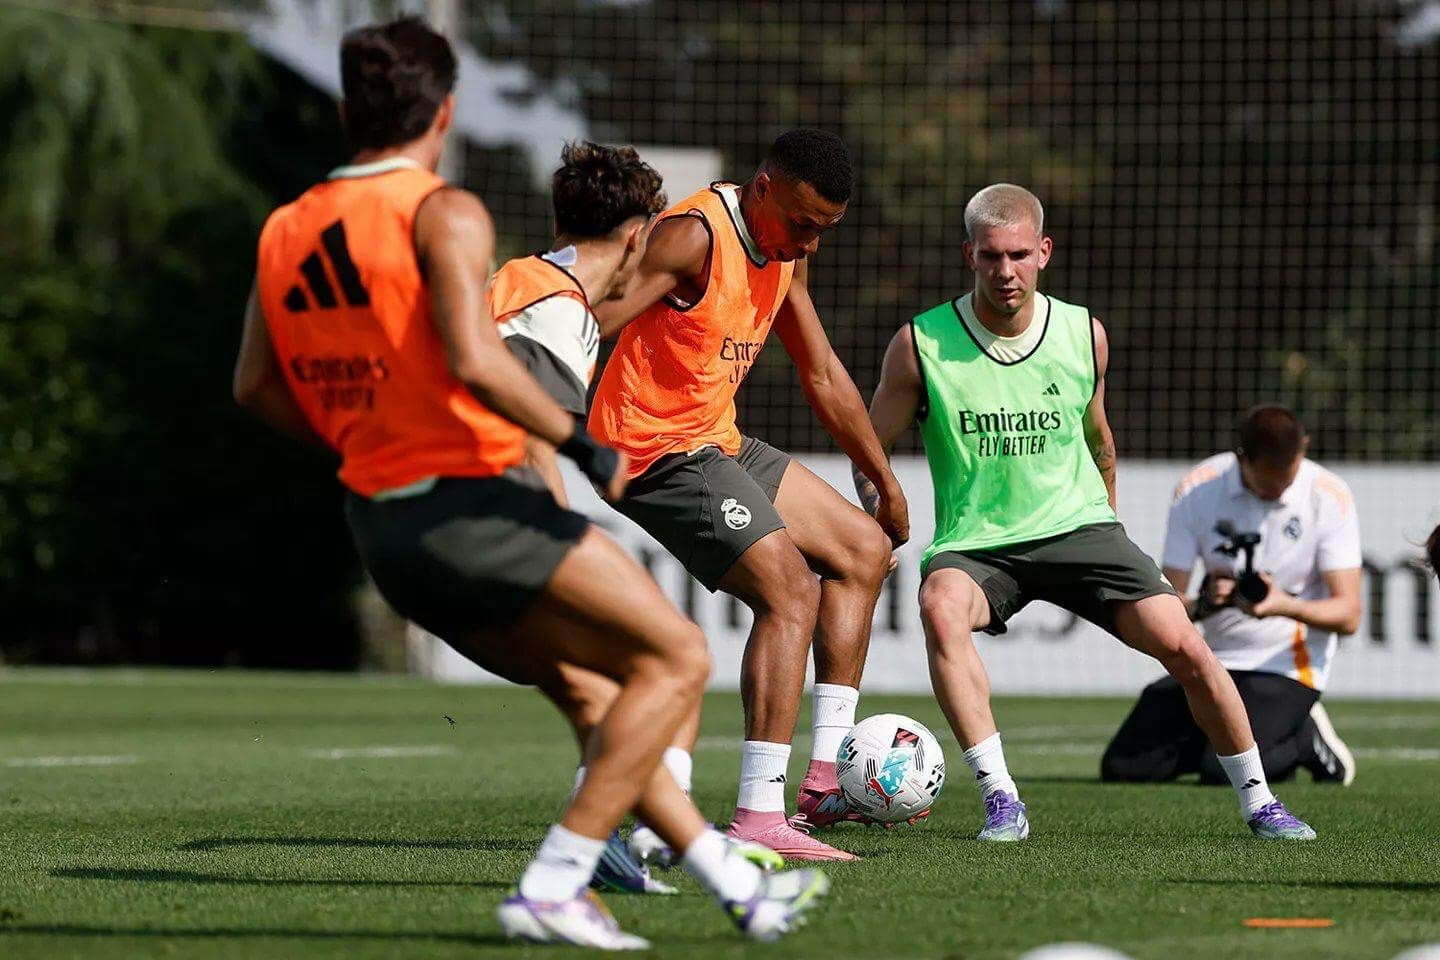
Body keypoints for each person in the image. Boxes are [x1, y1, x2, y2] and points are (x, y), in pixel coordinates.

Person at [233, 18, 827, 948]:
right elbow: (477, 361)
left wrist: (362, 443)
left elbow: (255, 387)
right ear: (446, 109)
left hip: (378, 523)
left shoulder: (285, 226)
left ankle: (732, 885)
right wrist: (581, 445)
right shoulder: (446, 212)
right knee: (674, 659)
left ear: (351, 108)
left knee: (601, 695)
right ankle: (554, 883)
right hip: (468, 501)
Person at [857, 183, 1317, 841]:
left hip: (1082, 530)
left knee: (1186, 643)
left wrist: (1109, 523)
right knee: (939, 606)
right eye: (991, 257)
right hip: (978, 544)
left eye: (1019, 254)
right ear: (970, 255)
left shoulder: (1082, 333)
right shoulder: (921, 344)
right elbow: (869, 451)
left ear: (1043, 251)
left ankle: (1260, 801)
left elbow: (1100, 437)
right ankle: (1002, 801)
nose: (1006, 271)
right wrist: (879, 514)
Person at [587, 129, 909, 861]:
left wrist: (883, 485)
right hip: (648, 452)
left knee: (863, 550)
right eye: (802, 224)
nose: (810, 245)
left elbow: (822, 374)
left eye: (826, 231)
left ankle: (825, 782)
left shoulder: (785, 254)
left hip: (715, 440)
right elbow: (594, 318)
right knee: (790, 592)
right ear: (762, 186)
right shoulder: (692, 237)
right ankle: (759, 815)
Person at [489, 141, 776, 892]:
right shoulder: (560, 310)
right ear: (636, 236)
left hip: (434, 517)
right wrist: (557, 540)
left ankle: (631, 837)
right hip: (486, 529)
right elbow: (525, 437)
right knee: (668, 658)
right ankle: (602, 852)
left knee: (641, 665)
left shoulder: (521, 280)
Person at [1100, 406, 1362, 786]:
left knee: (1224, 774)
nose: (1280, 491)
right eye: (1269, 483)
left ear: (1304, 448)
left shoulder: (1329, 495)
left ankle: (1306, 737)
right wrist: (1206, 603)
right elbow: (1167, 602)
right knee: (1124, 767)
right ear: (1242, 458)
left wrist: (1281, 605)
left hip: (1285, 667)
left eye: (1286, 480)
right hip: (1213, 663)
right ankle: (1216, 741)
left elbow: (1349, 614)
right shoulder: (1198, 488)